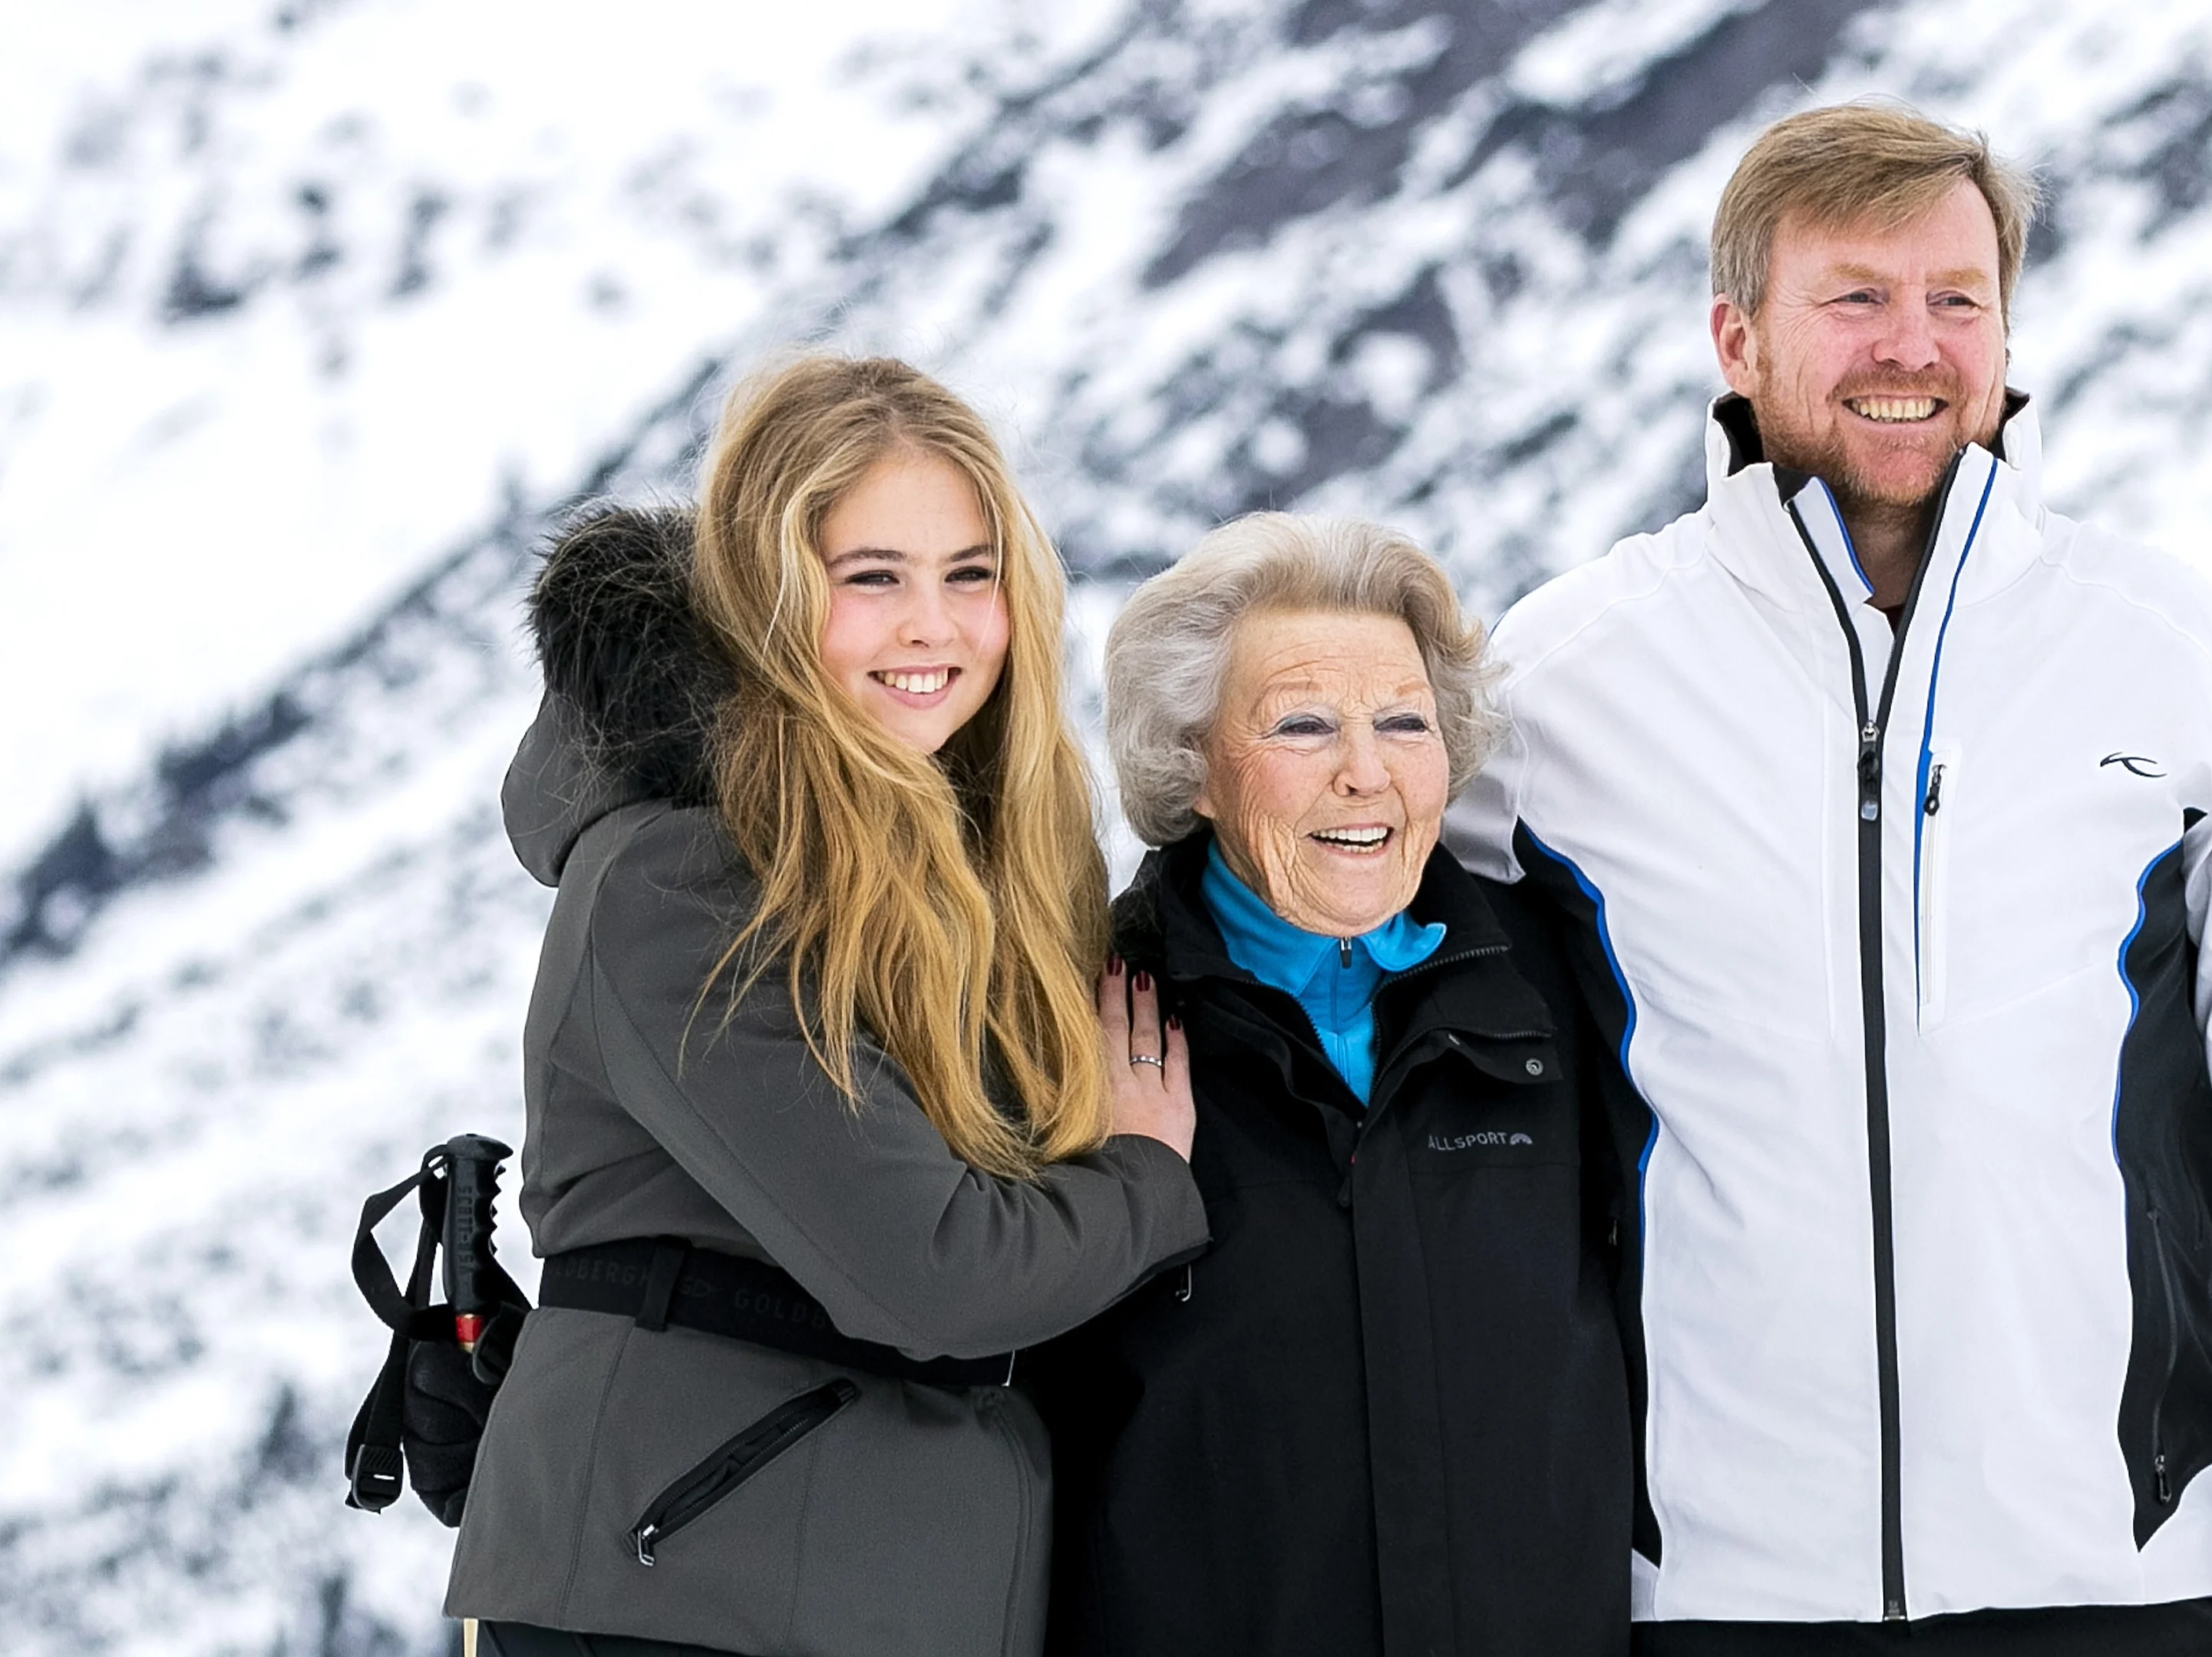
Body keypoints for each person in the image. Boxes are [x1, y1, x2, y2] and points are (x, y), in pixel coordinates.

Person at [1445, 102, 2212, 1657]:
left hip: (2117, 1587)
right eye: (1856, 296)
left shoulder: (2171, 655)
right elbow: (1404, 1069)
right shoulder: (1562, 684)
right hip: (1712, 1596)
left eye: (1958, 298)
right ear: (1737, 338)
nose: (1914, 344)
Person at [443, 355, 1205, 1657]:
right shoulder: (683, 881)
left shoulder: (992, 861)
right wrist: (1144, 1179)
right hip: (677, 1594)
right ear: (770, 590)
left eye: (970, 574)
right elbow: (939, 1272)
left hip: (893, 1591)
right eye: (874, 578)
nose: (934, 626)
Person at [1030, 513, 1632, 1657]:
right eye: (1303, 724)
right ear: (1193, 762)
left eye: (1405, 722)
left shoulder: (1563, 987)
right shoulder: (1074, 1017)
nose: (1367, 772)